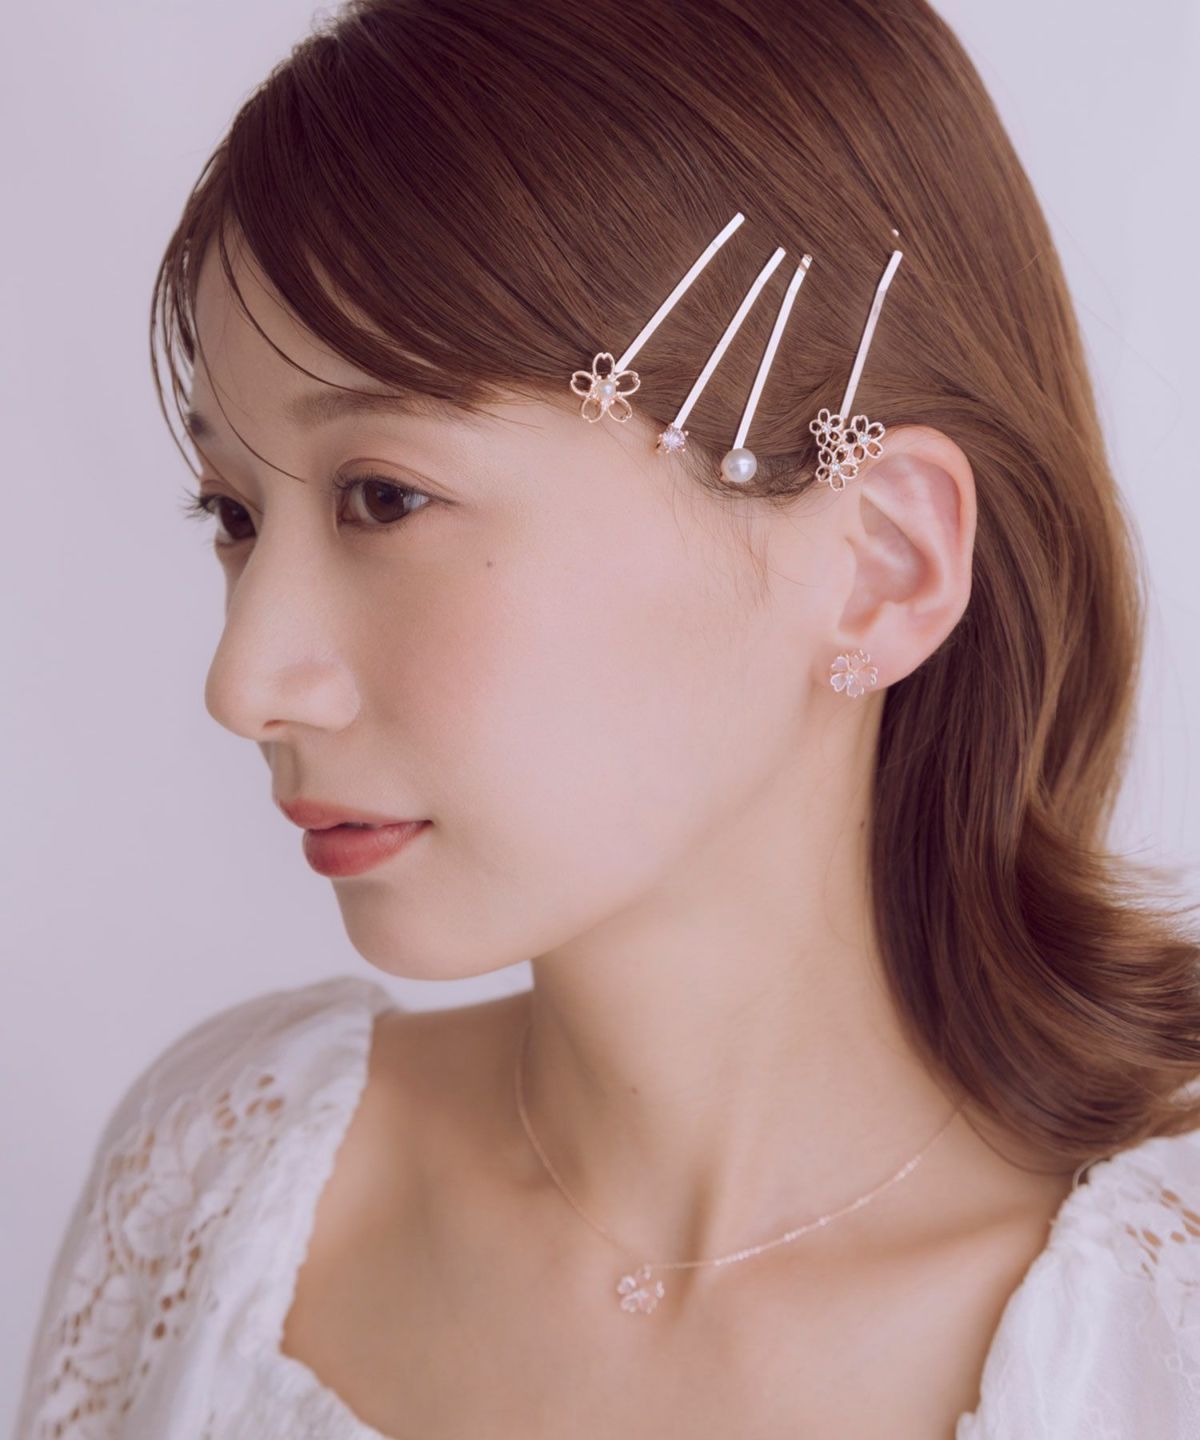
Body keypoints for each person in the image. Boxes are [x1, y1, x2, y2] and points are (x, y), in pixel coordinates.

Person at [15, 0, 1200, 1435]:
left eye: (386, 497)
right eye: (233, 512)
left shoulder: (1154, 1339)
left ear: (876, 562)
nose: (244, 681)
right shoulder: (221, 1179)